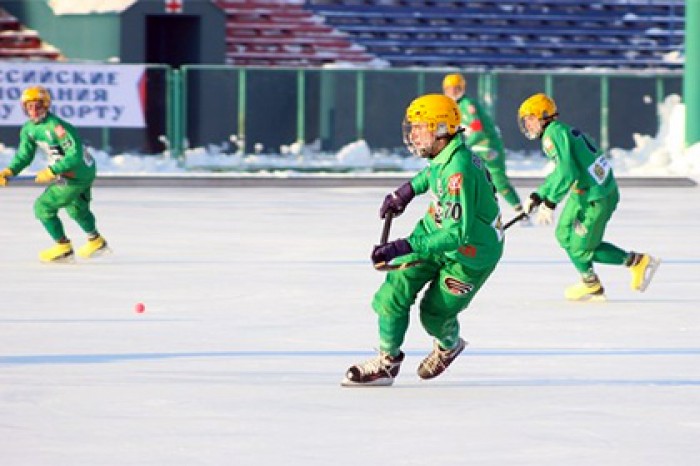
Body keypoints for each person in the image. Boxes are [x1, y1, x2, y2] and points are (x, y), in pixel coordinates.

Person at [342, 94, 504, 386]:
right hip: (434, 233)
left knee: (434, 314)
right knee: (393, 293)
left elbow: (457, 234)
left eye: (420, 127)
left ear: (441, 129)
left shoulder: (459, 170)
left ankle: (449, 344)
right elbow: (431, 174)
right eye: (413, 126)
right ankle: (387, 362)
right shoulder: (446, 156)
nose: (413, 134)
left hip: (469, 254)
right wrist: (405, 192)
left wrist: (405, 245)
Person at [517, 93, 660, 301]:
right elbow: (562, 171)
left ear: (544, 116)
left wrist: (550, 202)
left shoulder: (552, 135)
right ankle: (590, 283)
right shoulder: (558, 131)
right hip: (584, 192)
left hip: (596, 198)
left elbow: (568, 173)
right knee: (564, 235)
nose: (527, 125)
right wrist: (539, 194)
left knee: (581, 248)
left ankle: (636, 262)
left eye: (530, 119)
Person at [0, 85, 108, 263]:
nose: (34, 110)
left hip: (75, 173)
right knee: (77, 209)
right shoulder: (28, 129)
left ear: (47, 106)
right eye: (29, 106)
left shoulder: (56, 127)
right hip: (80, 171)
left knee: (43, 207)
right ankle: (95, 241)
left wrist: (52, 170)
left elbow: (75, 155)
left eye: (38, 106)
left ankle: (62, 246)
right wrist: (10, 170)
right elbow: (24, 155)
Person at [442, 73, 526, 220]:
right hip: (475, 146)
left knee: (498, 179)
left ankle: (520, 211)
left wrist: (463, 146)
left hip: (487, 145)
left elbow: (478, 131)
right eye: (449, 89)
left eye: (456, 88)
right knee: (469, 177)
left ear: (462, 88)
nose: (452, 92)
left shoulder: (468, 105)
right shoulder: (455, 107)